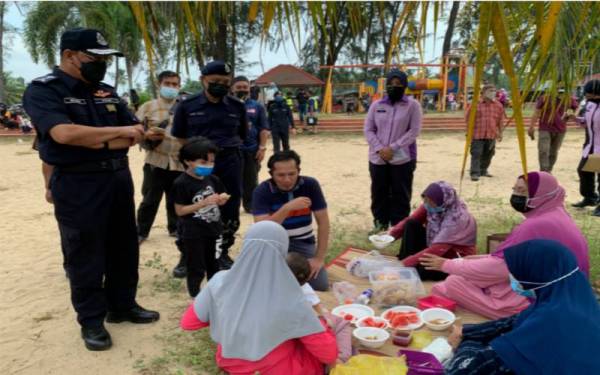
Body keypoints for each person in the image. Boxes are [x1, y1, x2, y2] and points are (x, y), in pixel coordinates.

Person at [22, 28, 159, 351]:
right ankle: (92, 322)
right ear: (69, 56)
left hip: (117, 178)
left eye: (104, 59)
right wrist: (117, 134)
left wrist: (104, 136)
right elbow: (64, 134)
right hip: (77, 181)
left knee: (123, 246)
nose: (102, 65)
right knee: (85, 252)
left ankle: (122, 306)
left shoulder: (107, 91)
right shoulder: (44, 91)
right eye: (94, 58)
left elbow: (137, 132)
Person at [421, 172, 590, 319]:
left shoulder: (536, 225)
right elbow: (510, 258)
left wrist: (446, 264)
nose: (516, 195)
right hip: (564, 290)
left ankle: (509, 312)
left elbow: (501, 268)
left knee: (453, 283)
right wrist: (472, 261)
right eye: (515, 190)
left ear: (543, 194)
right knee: (461, 278)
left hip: (547, 297)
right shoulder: (554, 214)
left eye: (522, 191)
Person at [180, 221, 338, 375]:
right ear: (282, 253)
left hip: (231, 364)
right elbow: (328, 354)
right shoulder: (290, 296)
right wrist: (323, 322)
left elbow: (188, 323)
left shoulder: (219, 281)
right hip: (276, 369)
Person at [446, 239, 600, 375]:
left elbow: (464, 370)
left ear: (537, 278)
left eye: (516, 273)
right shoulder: (572, 300)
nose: (511, 277)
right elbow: (510, 323)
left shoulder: (548, 325)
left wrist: (465, 343)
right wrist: (466, 331)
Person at [172, 60, 247, 270]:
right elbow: (179, 136)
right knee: (193, 207)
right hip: (198, 167)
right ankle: (187, 257)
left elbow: (241, 135)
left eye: (225, 81)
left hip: (229, 163)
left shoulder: (237, 107)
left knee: (229, 208)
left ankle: (221, 252)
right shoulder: (186, 106)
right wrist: (196, 159)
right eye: (215, 81)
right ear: (203, 80)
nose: (220, 85)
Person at [252, 150, 330, 291]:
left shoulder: (310, 185)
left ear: (298, 171)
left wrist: (318, 258)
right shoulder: (262, 191)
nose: (287, 179)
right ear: (271, 174)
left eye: (292, 174)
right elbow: (263, 228)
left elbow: (323, 222)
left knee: (320, 284)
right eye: (281, 175)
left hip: (303, 242)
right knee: (264, 285)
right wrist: (286, 208)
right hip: (273, 244)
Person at [364, 69, 422, 233]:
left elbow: (414, 131)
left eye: (398, 84)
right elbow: (369, 129)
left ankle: (399, 227)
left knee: (401, 192)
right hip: (378, 158)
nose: (394, 86)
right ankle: (380, 223)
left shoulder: (412, 105)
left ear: (404, 85)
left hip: (403, 158)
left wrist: (393, 147)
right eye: (391, 83)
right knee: (379, 191)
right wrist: (380, 148)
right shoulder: (376, 105)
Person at [172, 137, 229, 297]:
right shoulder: (181, 183)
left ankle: (214, 294)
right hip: (193, 233)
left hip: (214, 229)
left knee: (214, 264)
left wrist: (222, 199)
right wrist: (203, 203)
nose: (209, 166)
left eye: (212, 162)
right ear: (188, 161)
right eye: (203, 162)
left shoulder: (213, 179)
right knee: (196, 266)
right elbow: (180, 211)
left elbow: (220, 199)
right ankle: (195, 295)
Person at [388, 181, 477, 280]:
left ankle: (406, 264)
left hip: (452, 256)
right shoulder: (431, 205)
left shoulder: (458, 219)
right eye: (425, 200)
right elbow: (410, 220)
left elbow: (438, 249)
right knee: (411, 224)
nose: (426, 205)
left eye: (430, 202)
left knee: (421, 271)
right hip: (434, 245)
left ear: (444, 201)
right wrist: (390, 236)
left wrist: (406, 264)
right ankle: (405, 262)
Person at [136, 70, 184, 244]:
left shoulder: (185, 108)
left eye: (175, 84)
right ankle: (141, 232)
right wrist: (147, 135)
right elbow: (135, 131)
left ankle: (175, 229)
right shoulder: (147, 107)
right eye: (168, 84)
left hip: (179, 162)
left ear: (179, 86)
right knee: (150, 199)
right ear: (159, 84)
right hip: (155, 161)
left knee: (176, 198)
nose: (171, 87)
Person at [231, 76, 269, 213]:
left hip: (251, 149)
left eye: (245, 87)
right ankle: (232, 205)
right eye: (238, 87)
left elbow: (264, 128)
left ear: (249, 89)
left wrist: (262, 148)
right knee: (232, 179)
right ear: (232, 89)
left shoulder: (257, 106)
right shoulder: (226, 105)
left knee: (251, 179)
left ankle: (250, 205)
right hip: (232, 149)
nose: (242, 90)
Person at [528, 89, 578, 172]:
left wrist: (570, 115)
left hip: (560, 129)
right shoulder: (545, 98)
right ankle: (544, 171)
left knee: (553, 152)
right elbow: (537, 112)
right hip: (545, 128)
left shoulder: (569, 99)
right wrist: (531, 126)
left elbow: (575, 108)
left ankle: (549, 170)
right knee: (543, 150)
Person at [466, 83, 506, 181]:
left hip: (492, 134)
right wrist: (468, 132)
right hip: (477, 134)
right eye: (490, 91)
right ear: (483, 93)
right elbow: (468, 119)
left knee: (489, 153)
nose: (492, 93)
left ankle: (483, 170)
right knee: (476, 153)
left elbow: (500, 120)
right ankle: (475, 172)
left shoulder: (498, 105)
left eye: (494, 91)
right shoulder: (475, 105)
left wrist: (500, 133)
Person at [573, 79, 600, 216]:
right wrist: (575, 118)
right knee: (584, 171)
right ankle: (590, 197)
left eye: (588, 93)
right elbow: (586, 122)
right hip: (590, 146)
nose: (586, 96)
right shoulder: (589, 105)